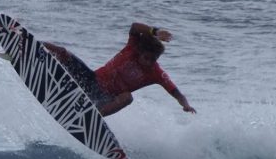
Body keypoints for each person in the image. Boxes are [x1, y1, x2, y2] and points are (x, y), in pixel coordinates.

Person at [42, 23, 196, 117]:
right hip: (90, 80)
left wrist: (185, 104)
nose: (149, 62)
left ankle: (92, 116)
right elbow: (135, 27)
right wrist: (154, 32)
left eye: (153, 60)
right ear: (140, 51)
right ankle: (29, 43)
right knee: (62, 52)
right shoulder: (132, 48)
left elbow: (176, 92)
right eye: (147, 58)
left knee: (127, 98)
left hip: (104, 99)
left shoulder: (155, 73)